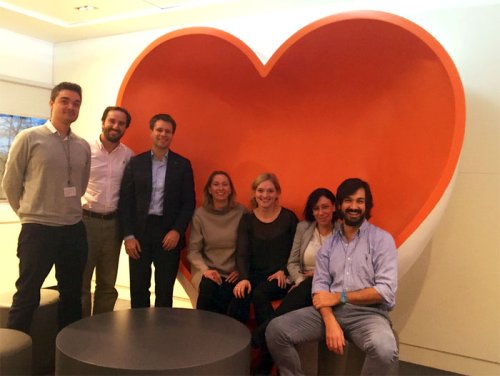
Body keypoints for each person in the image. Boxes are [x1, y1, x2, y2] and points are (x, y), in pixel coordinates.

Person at [266, 178, 399, 376]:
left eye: (360, 201)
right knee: (275, 330)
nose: (354, 206)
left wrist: (340, 297)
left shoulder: (382, 240)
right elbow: (320, 288)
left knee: (385, 350)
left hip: (369, 315)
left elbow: (385, 291)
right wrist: (330, 322)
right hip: (329, 312)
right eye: (348, 200)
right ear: (339, 205)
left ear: (367, 205)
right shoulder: (328, 246)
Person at [2, 82, 91, 333]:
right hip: (38, 231)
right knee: (27, 295)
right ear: (51, 103)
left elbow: (81, 186)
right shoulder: (29, 137)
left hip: (74, 230)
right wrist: (29, 213)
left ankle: (67, 356)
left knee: (72, 295)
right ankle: (13, 358)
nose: (70, 107)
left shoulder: (82, 145)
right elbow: (10, 183)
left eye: (76, 103)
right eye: (64, 100)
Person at [118, 113, 195, 308]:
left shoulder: (183, 165)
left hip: (168, 233)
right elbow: (125, 202)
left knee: (165, 289)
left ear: (172, 135)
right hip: (139, 234)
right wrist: (128, 236)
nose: (163, 134)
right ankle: (138, 330)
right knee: (138, 287)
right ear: (151, 132)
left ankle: (162, 333)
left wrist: (177, 230)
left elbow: (189, 202)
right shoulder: (136, 163)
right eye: (159, 130)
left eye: (168, 131)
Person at [81, 106, 134, 316]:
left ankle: (102, 328)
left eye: (121, 123)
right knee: (81, 280)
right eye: (112, 121)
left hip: (114, 225)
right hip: (86, 222)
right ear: (103, 122)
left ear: (126, 128)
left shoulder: (129, 155)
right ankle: (81, 328)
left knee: (107, 282)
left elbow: (129, 195)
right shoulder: (84, 149)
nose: (115, 126)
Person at [229, 173, 298, 326]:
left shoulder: (289, 218)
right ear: (254, 193)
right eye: (260, 190)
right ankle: (234, 344)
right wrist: (244, 278)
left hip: (280, 277)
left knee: (260, 293)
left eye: (270, 191)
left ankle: (267, 343)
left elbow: (296, 251)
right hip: (254, 275)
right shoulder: (247, 219)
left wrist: (284, 270)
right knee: (239, 295)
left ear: (277, 193)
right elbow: (242, 254)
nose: (265, 195)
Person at [187, 171, 246, 314]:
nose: (221, 188)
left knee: (233, 295)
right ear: (209, 189)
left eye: (225, 184)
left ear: (231, 189)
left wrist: (241, 269)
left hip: (233, 273)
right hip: (209, 271)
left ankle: (230, 335)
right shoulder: (200, 215)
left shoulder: (241, 212)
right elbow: (193, 251)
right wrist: (205, 270)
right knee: (208, 290)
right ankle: (204, 334)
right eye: (216, 184)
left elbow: (248, 246)